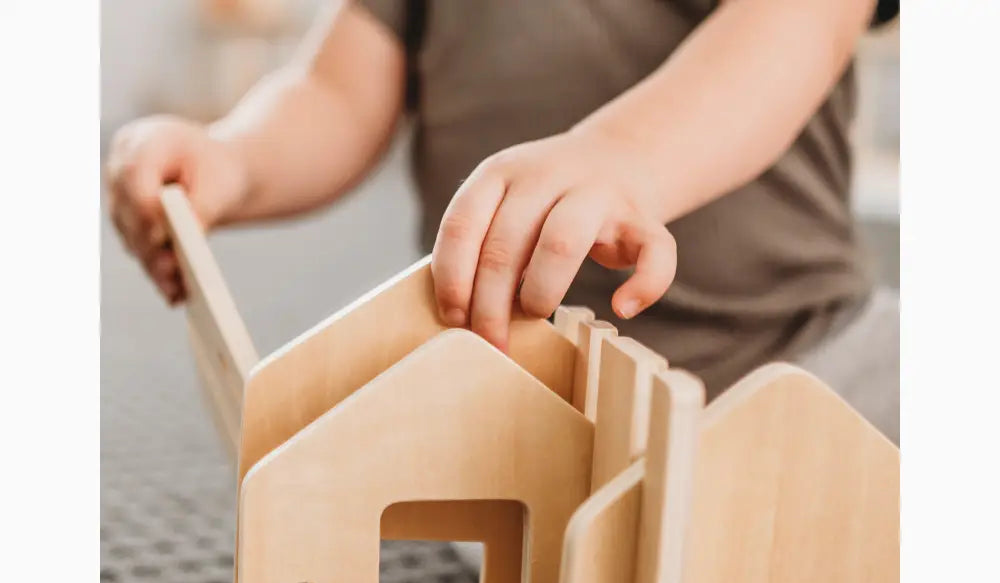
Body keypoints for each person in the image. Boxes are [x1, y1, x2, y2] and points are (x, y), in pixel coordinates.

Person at [107, 0, 899, 442]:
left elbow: (797, 27)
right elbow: (336, 91)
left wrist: (622, 157)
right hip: (512, 399)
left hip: (803, 352)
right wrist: (234, 158)